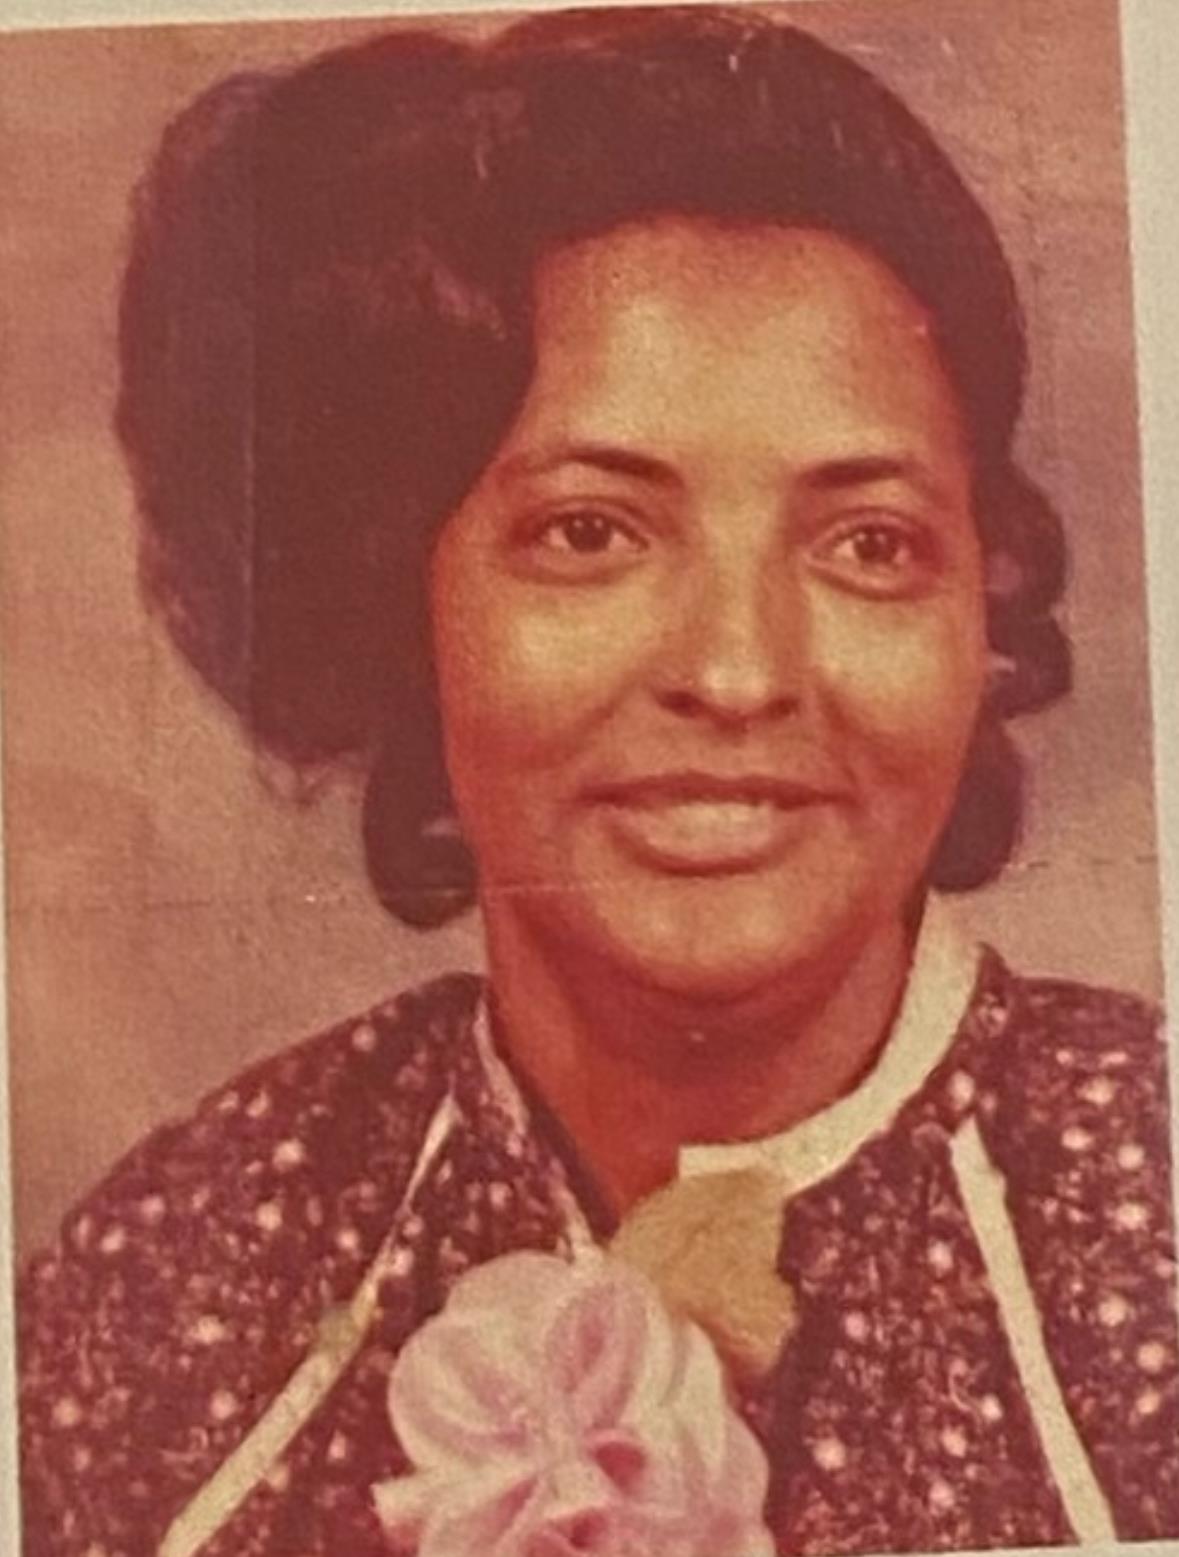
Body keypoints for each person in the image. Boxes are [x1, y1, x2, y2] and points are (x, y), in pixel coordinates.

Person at [15, 7, 1179, 1555]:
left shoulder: (1148, 1202)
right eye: (592, 531)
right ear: (396, 607)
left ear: (984, 614)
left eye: (869, 543)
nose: (740, 670)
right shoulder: (176, 1285)